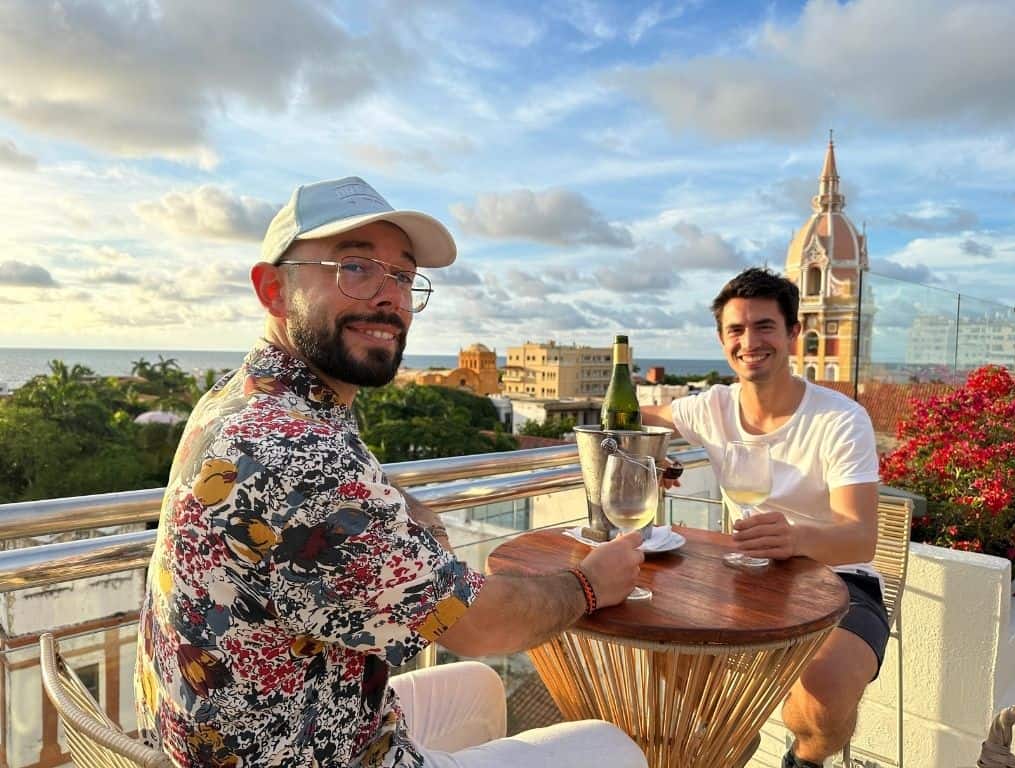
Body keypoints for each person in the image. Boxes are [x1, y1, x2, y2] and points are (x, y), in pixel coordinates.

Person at [134, 176, 649, 768]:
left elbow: (357, 502)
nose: (389, 298)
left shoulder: (251, 399)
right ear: (273, 289)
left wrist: (398, 514)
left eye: (402, 276)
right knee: (614, 748)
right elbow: (483, 625)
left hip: (275, 720)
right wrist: (590, 584)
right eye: (354, 267)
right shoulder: (297, 453)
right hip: (303, 754)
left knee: (478, 686)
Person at [643, 267, 886, 768]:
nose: (749, 341)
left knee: (821, 699)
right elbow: (635, 417)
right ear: (721, 340)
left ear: (794, 333)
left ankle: (805, 759)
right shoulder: (711, 408)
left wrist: (796, 538)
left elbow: (860, 538)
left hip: (838, 577)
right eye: (736, 330)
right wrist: (651, 454)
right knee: (656, 629)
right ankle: (734, 732)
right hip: (746, 577)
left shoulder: (839, 419)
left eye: (765, 326)